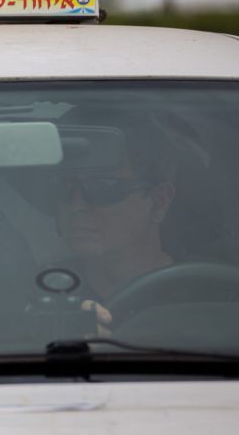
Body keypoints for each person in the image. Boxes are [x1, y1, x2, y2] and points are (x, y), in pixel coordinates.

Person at [55, 117, 177, 331]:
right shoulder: (41, 295)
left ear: (158, 203)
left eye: (102, 187)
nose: (76, 206)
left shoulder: (212, 296)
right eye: (64, 186)